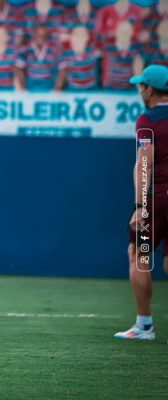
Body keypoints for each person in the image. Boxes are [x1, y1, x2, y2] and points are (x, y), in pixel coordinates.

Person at [115, 64, 168, 341]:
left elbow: (143, 164)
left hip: (157, 199)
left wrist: (139, 207)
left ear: (148, 89)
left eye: (140, 86)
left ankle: (144, 326)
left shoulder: (147, 120)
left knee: (139, 255)